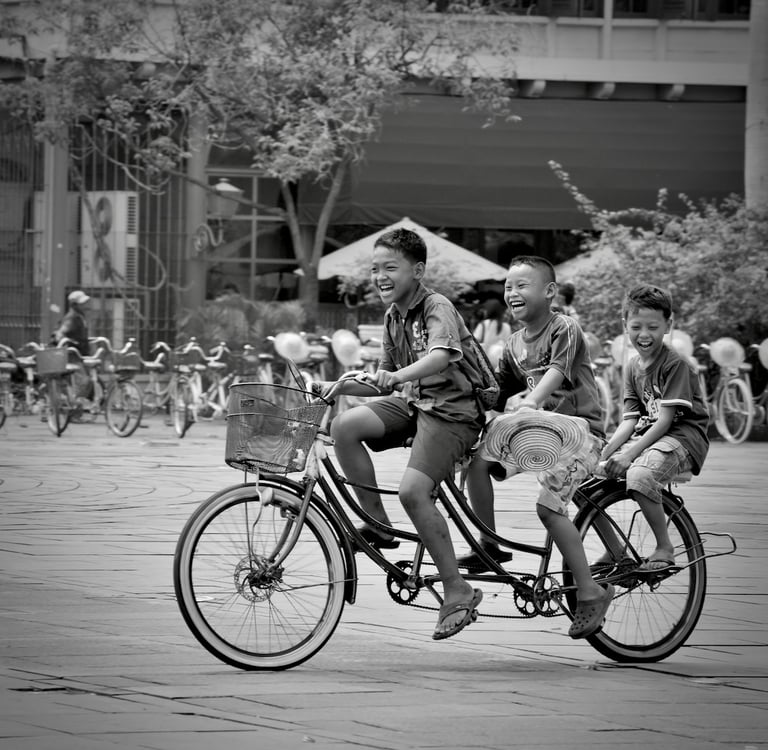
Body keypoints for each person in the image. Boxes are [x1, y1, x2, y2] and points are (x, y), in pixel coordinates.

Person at [328, 228, 486, 641]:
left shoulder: (437, 307)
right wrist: (343, 385)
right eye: (375, 268)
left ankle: (457, 589)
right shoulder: (393, 315)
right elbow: (384, 380)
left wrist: (396, 376)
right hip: (416, 404)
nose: (380, 276)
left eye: (390, 268)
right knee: (343, 425)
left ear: (417, 270)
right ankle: (377, 525)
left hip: (453, 412)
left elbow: (440, 356)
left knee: (413, 493)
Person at [460, 255, 613, 639]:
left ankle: (591, 592)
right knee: (477, 461)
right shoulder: (512, 345)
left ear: (549, 292)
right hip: (541, 433)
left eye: (522, 285)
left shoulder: (565, 328)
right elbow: (497, 394)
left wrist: (531, 402)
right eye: (509, 286)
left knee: (549, 508)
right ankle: (489, 543)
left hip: (580, 433)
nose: (512, 292)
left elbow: (557, 371)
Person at [600, 284, 709, 571]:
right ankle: (614, 550)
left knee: (639, 473)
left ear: (668, 325)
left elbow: (664, 420)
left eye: (653, 326)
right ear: (625, 326)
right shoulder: (632, 366)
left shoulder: (676, 364)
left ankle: (664, 547)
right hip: (648, 437)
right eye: (636, 327)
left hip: (681, 439)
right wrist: (607, 451)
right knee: (588, 477)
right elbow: (629, 420)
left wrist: (628, 456)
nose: (644, 335)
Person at [473, 297, 512, 367]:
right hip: (501, 362)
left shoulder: (484, 324)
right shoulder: (506, 326)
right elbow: (508, 346)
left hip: (486, 362)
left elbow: (474, 343)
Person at [54, 290, 91, 357]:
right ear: (74, 305)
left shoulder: (80, 317)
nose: (86, 305)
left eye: (86, 302)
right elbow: (60, 334)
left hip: (81, 354)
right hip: (74, 356)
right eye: (82, 303)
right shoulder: (72, 318)